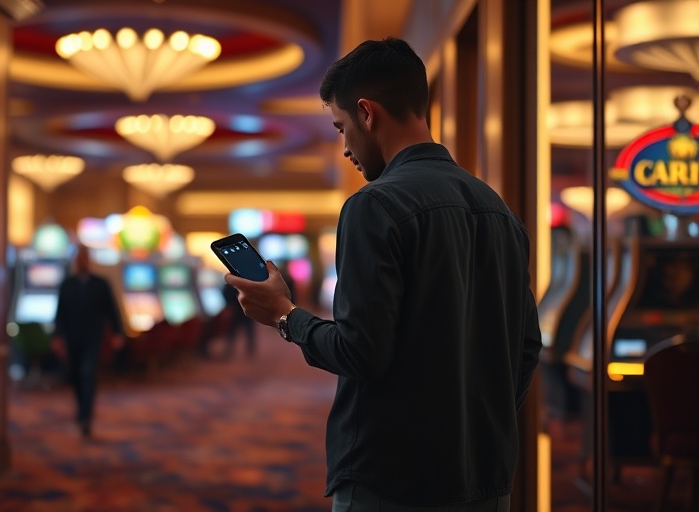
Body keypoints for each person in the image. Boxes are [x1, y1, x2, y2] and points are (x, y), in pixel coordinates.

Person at [225, 37, 542, 511]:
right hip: (488, 479)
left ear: (367, 113)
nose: (346, 148)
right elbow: (526, 348)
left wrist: (284, 316)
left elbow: (361, 352)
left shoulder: (374, 206)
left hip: (393, 480)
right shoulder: (499, 211)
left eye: (340, 128)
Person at [52, 244, 124, 438]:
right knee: (75, 375)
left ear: (88, 260)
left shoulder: (101, 283)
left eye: (84, 257)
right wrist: (57, 336)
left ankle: (86, 417)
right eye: (79, 258)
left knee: (88, 374)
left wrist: (118, 333)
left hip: (94, 337)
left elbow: (112, 310)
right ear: (75, 261)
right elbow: (59, 313)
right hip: (72, 336)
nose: (81, 261)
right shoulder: (67, 284)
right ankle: (81, 409)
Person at [221, 282, 257, 358]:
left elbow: (225, 293)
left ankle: (230, 349)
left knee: (235, 331)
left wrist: (229, 304)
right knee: (245, 330)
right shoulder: (246, 283)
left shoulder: (230, 283)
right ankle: (249, 349)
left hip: (238, 310)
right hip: (243, 310)